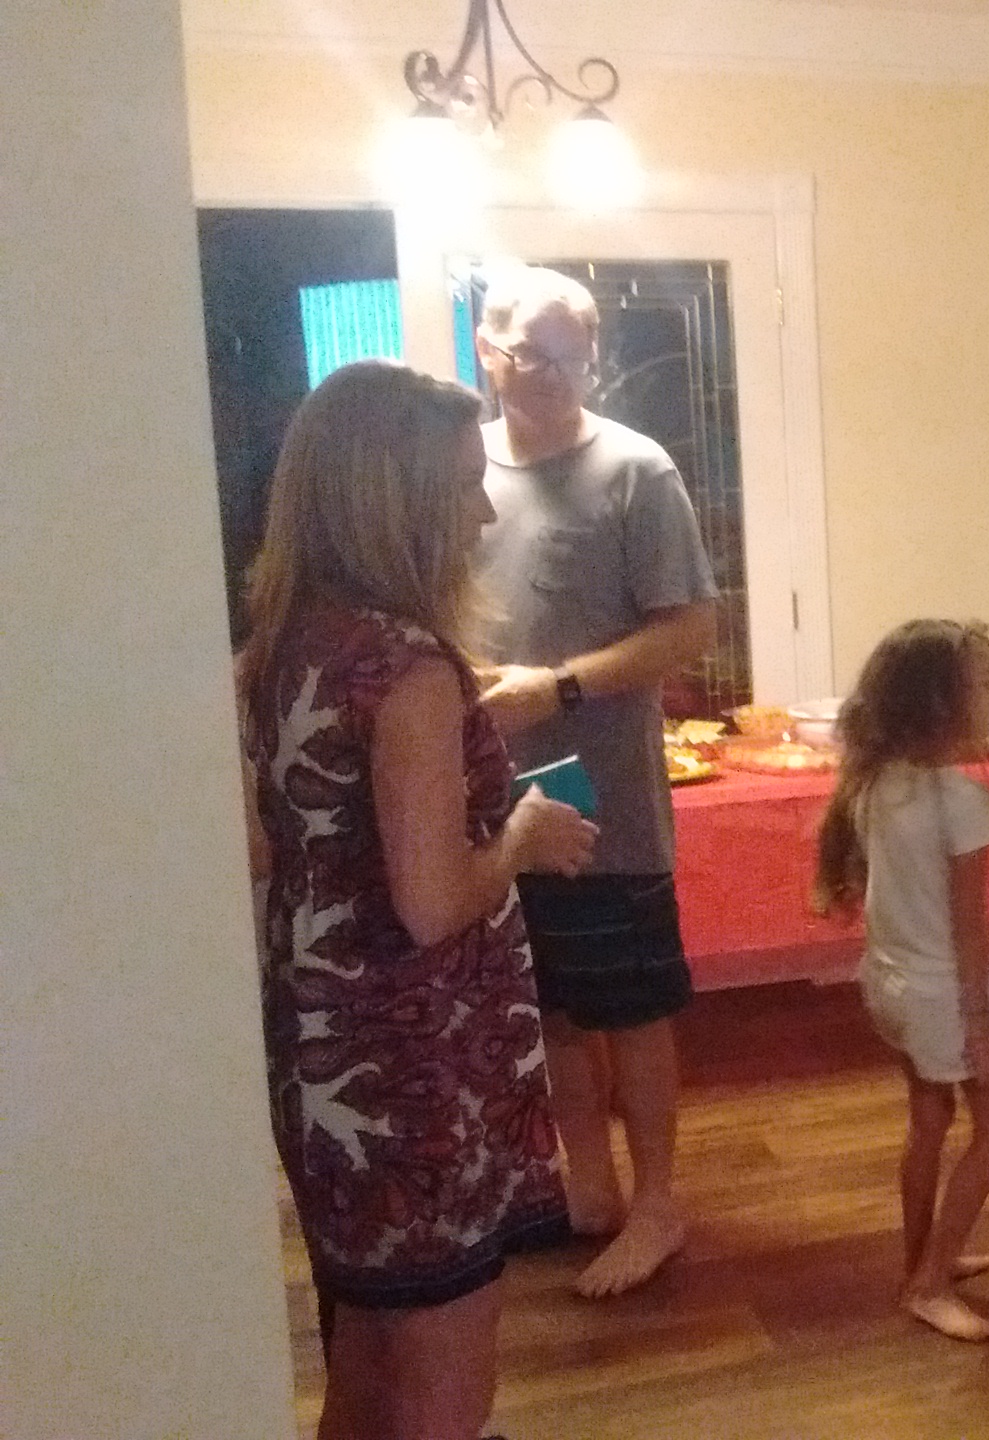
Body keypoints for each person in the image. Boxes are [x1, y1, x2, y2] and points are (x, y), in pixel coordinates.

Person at [238, 359, 599, 1439]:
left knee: (364, 1364)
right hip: (419, 1066)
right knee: (444, 1388)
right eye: (459, 485)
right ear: (390, 501)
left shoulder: (280, 645)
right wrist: (521, 835)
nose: (481, 512)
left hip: (319, 1050)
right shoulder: (408, 669)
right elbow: (433, 904)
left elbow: (273, 848)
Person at [472, 266, 719, 1298]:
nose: (553, 374)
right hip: (488, 800)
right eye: (532, 353)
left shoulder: (635, 469)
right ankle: (590, 1186)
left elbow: (691, 628)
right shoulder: (458, 469)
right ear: (486, 349)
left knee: (631, 1004)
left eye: (572, 355)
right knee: (551, 1008)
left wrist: (558, 687)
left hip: (605, 797)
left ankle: (657, 1203)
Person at [811, 619, 989, 1343]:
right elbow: (969, 935)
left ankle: (925, 1259)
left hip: (889, 985)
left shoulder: (874, 782)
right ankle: (928, 1286)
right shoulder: (961, 803)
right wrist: (980, 1028)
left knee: (930, 1119)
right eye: (985, 684)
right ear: (940, 706)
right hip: (942, 997)